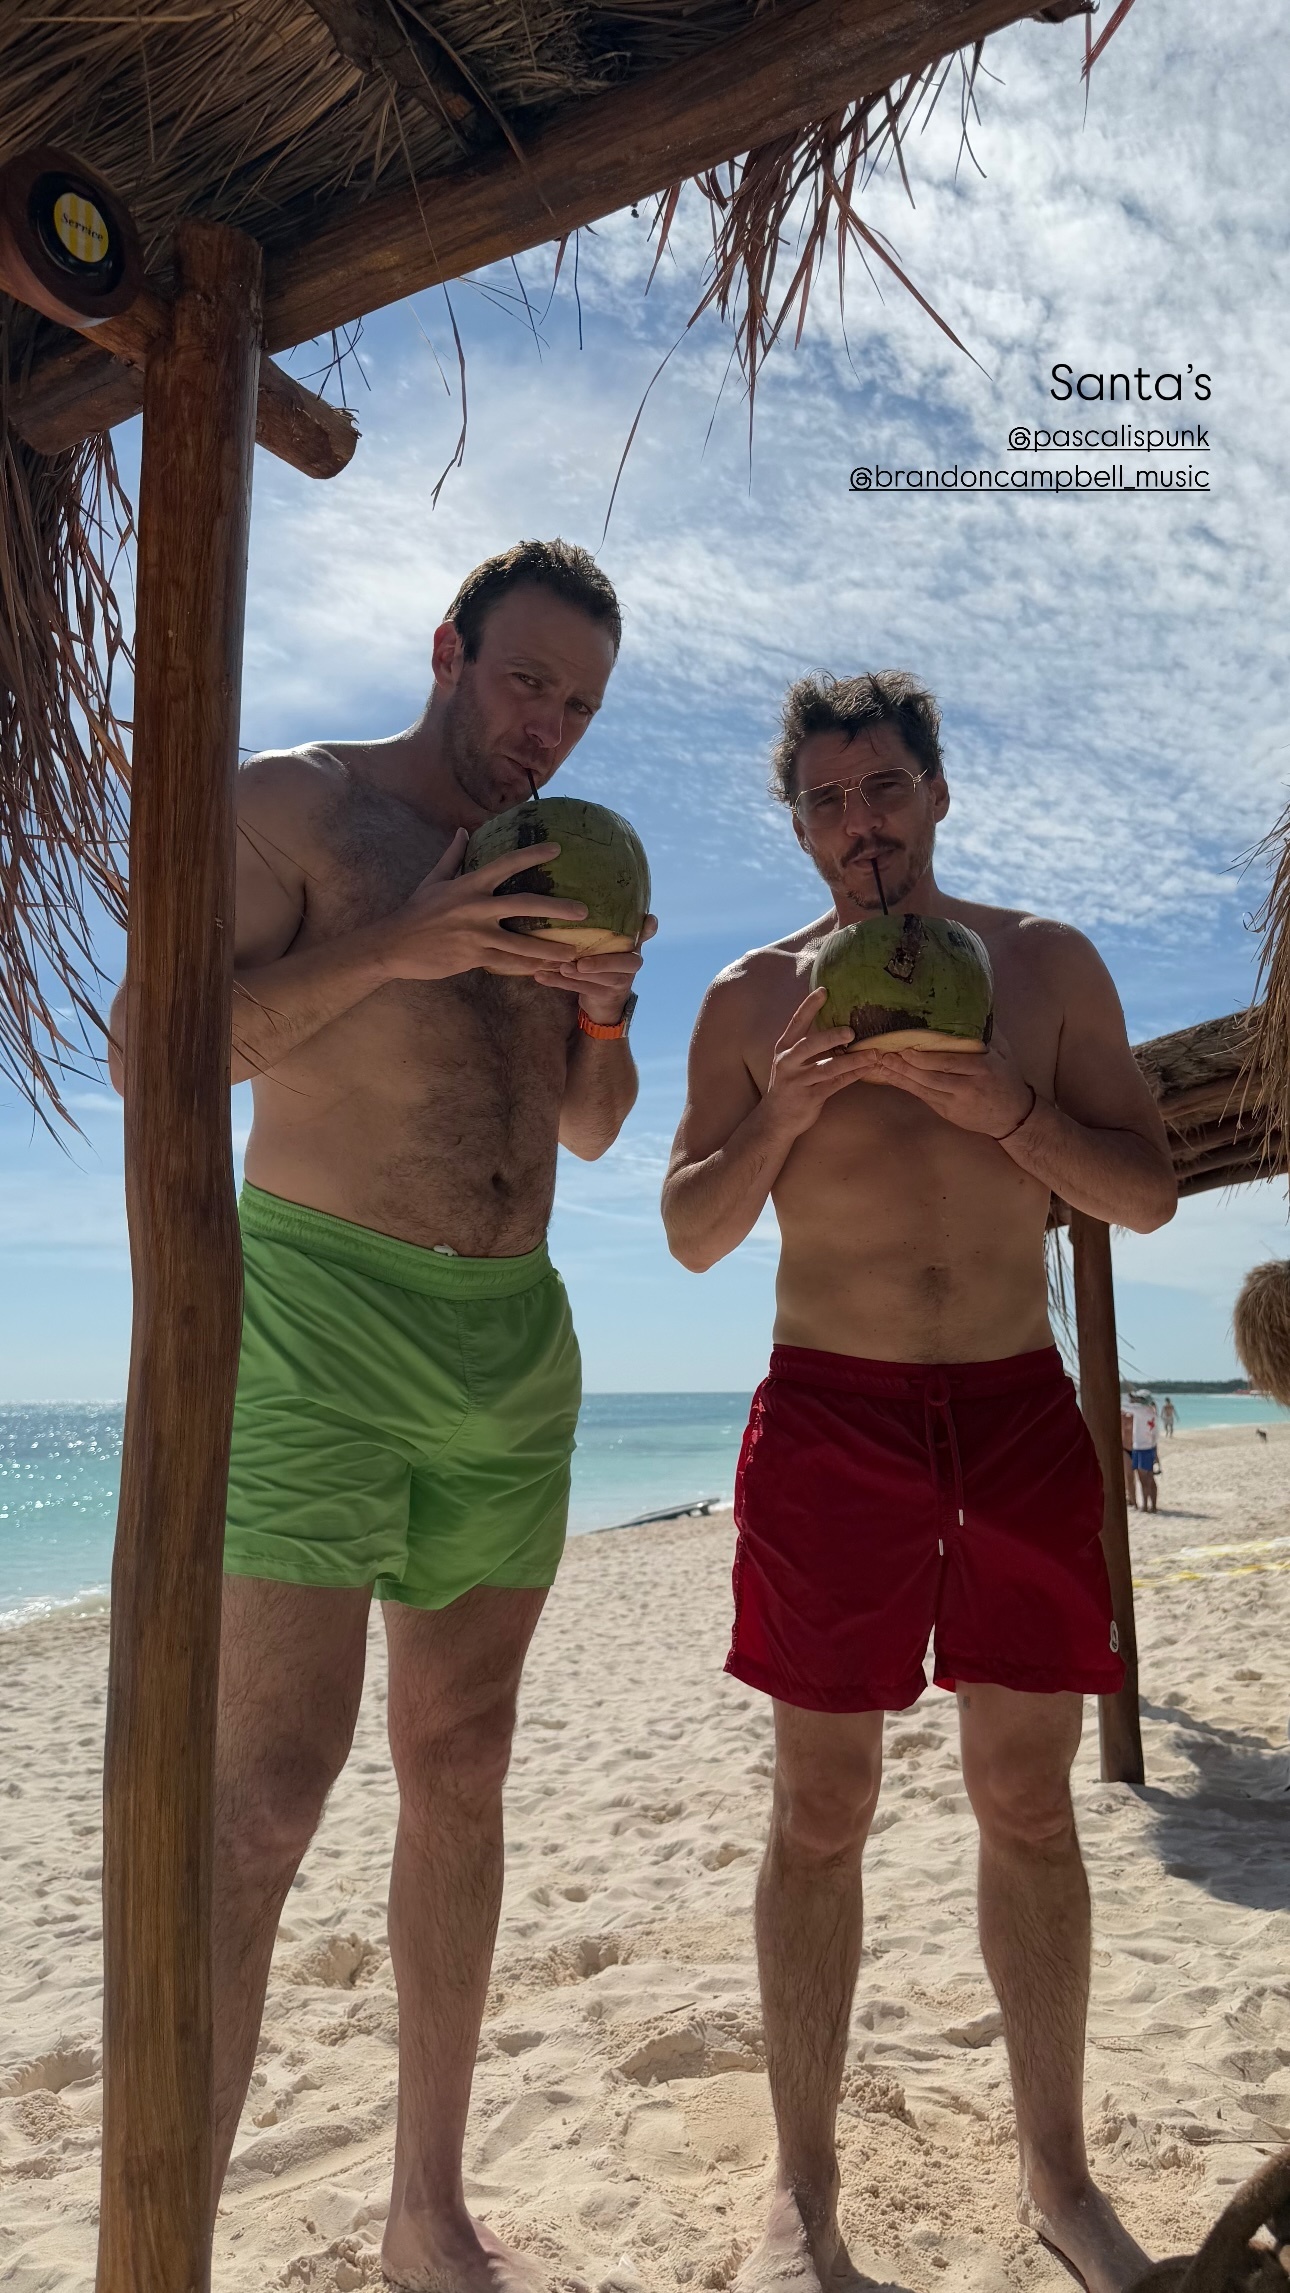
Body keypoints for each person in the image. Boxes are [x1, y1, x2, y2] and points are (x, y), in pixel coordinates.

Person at [108, 539, 651, 2293]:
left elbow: (588, 1127)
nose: (546, 726)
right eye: (526, 681)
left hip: (511, 1344)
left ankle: (427, 2210)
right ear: (447, 650)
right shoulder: (298, 806)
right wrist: (406, 942)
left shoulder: (561, 856)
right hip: (317, 1322)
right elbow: (156, 1044)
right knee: (263, 1800)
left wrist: (603, 1012)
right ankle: (168, 2244)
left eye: (578, 704)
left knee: (463, 1768)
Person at [661, 671, 1176, 2293]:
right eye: (824, 801)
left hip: (1015, 1409)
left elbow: (1145, 1194)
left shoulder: (1043, 964)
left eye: (882, 788)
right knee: (821, 1808)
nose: (858, 825)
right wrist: (780, 1115)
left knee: (1027, 1798)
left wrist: (1011, 1109)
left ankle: (1057, 2172)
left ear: (936, 793)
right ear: (798, 825)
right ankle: (801, 2190)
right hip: (834, 1414)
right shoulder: (753, 997)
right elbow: (689, 1228)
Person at [1128, 1392, 1159, 1512]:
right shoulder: (1152, 1412)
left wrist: (1132, 1399)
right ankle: (1153, 1505)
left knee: (1143, 1479)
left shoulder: (1140, 1410)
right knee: (1150, 1478)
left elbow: (1124, 1406)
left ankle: (1145, 1506)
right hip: (1149, 1447)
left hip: (1141, 1448)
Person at [1121, 1404, 1138, 1507]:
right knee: (1129, 1476)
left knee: (1135, 1477)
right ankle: (1133, 1500)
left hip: (1136, 1448)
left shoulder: (1136, 1415)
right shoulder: (1121, 1416)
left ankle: (1132, 1498)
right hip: (1125, 1449)